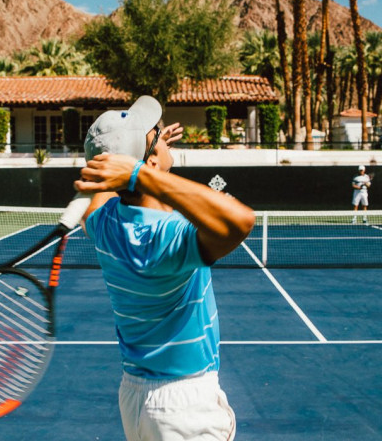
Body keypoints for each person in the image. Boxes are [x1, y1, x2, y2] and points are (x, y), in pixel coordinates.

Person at [74, 95, 254, 441]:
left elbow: (108, 189)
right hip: (185, 409)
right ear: (148, 163)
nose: (161, 131)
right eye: (156, 134)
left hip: (135, 398)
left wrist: (149, 160)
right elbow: (241, 220)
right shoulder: (168, 238)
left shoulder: (101, 223)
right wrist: (146, 171)